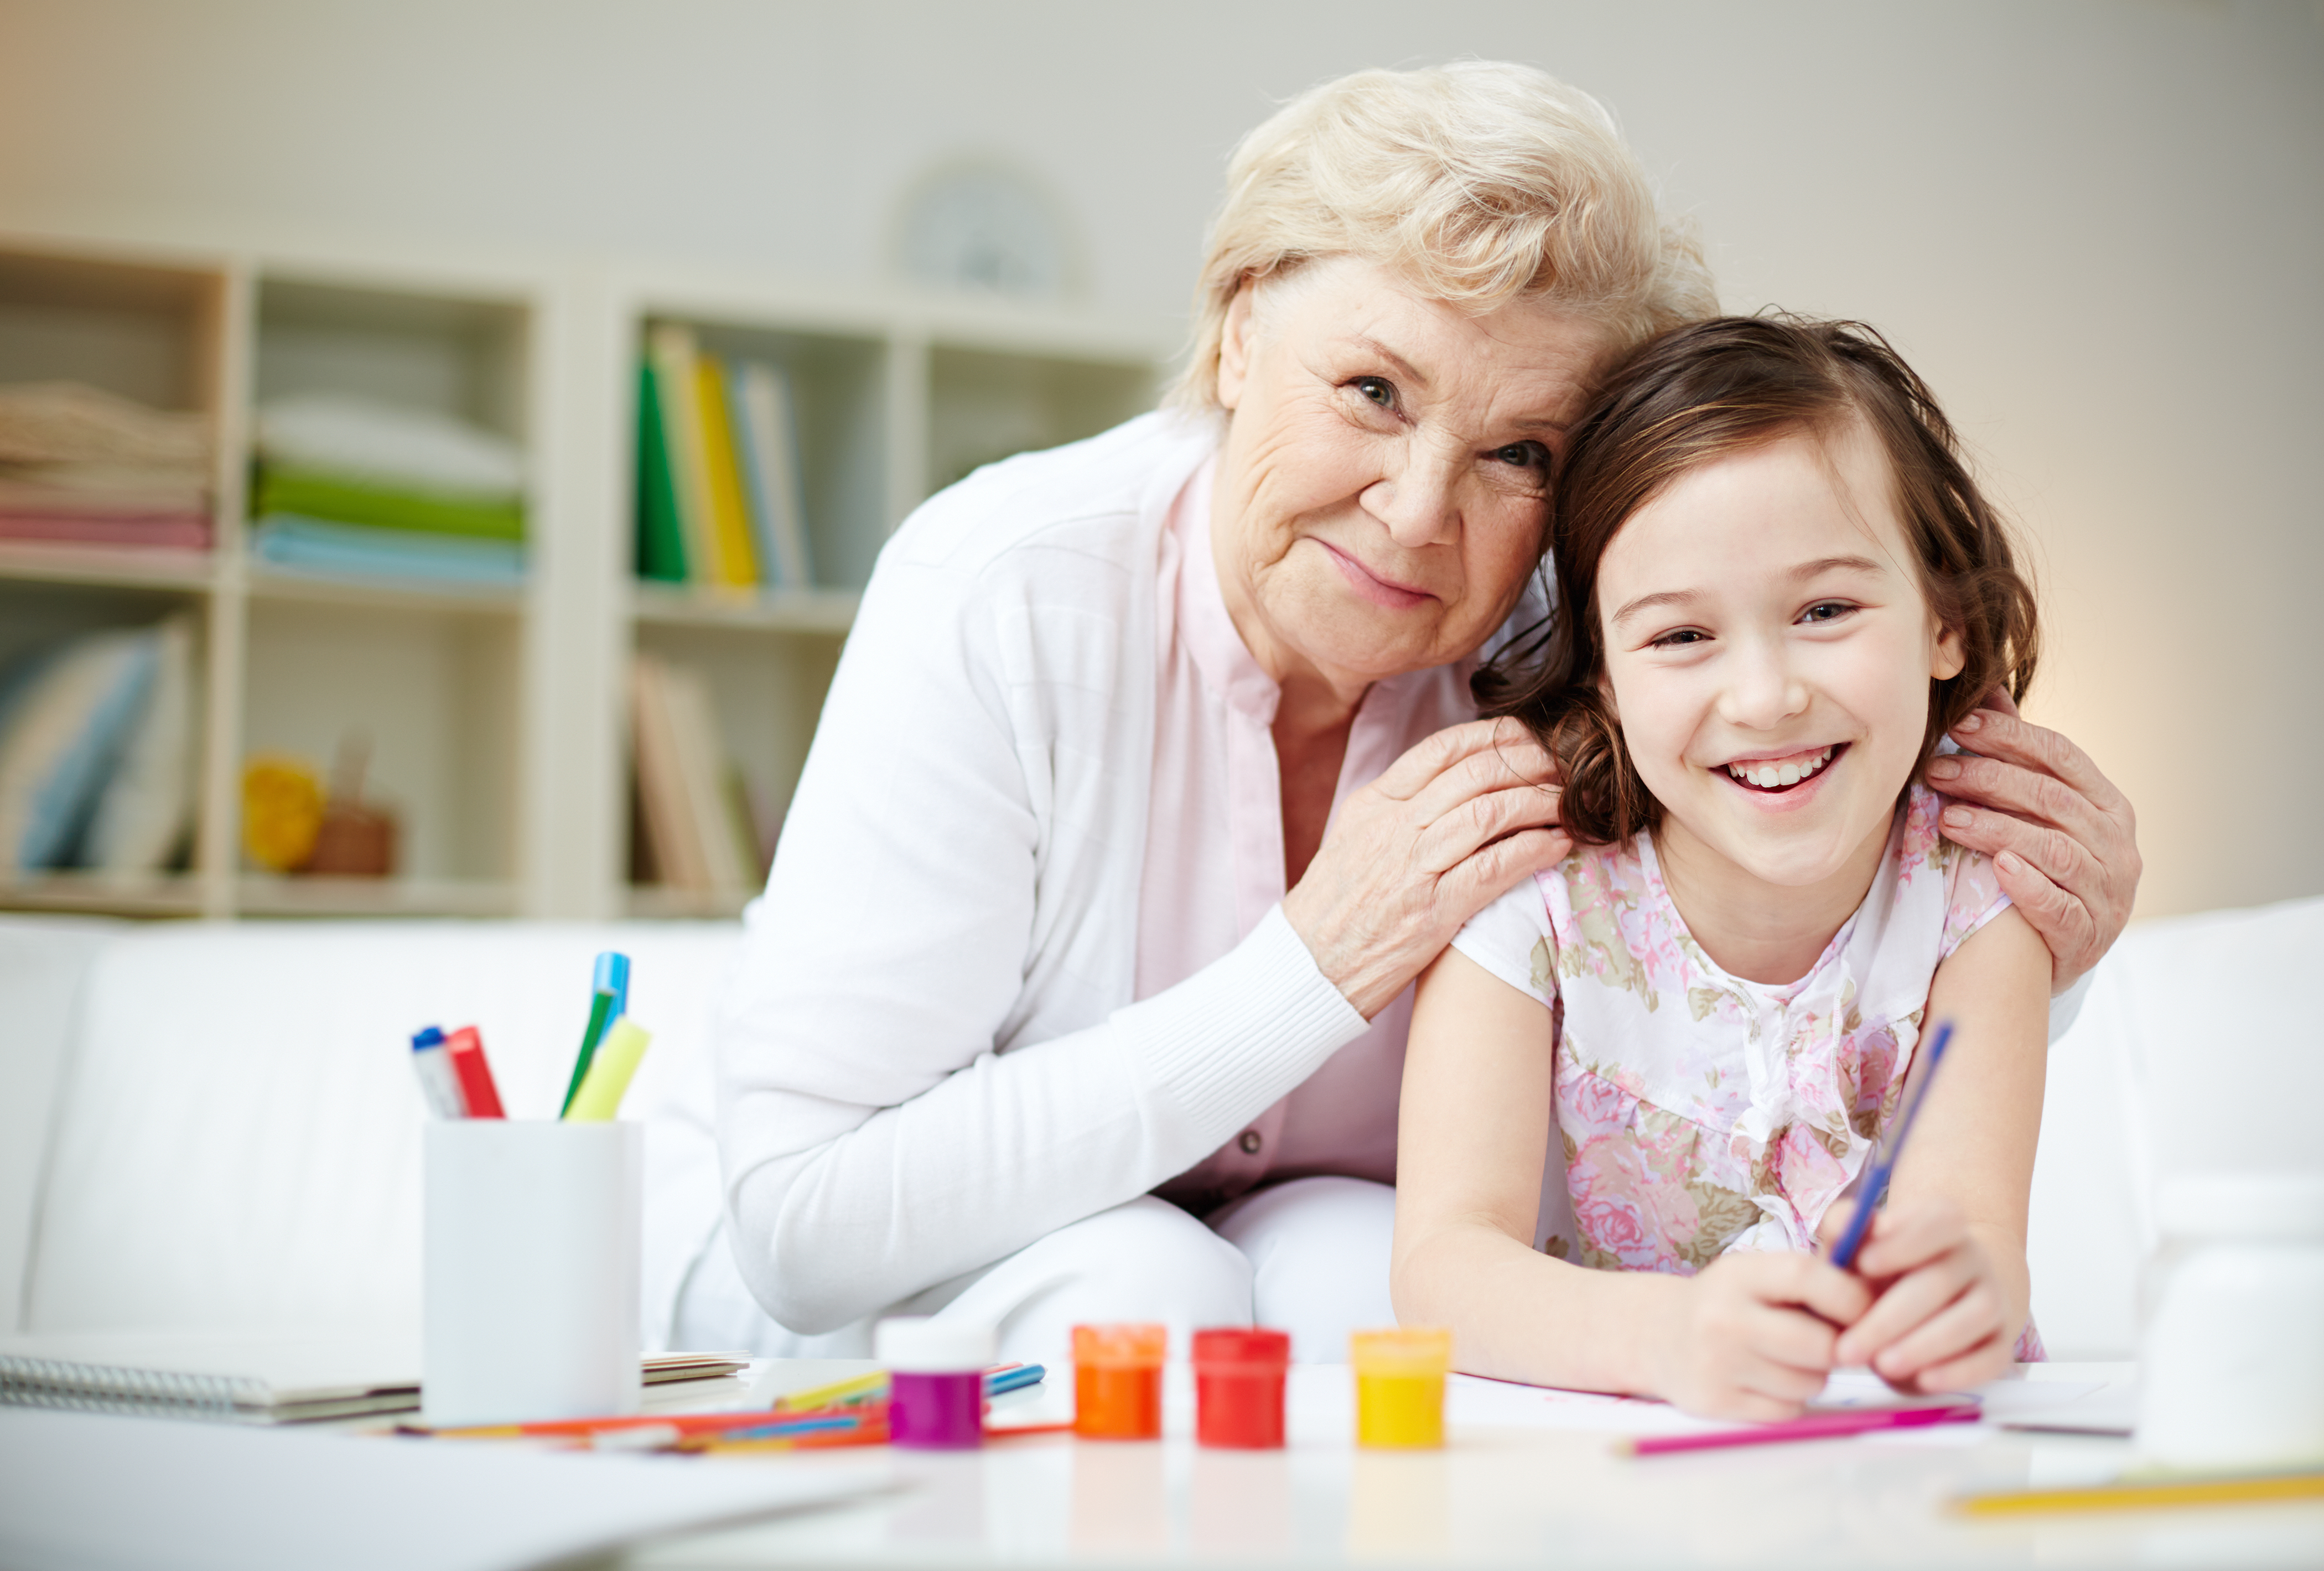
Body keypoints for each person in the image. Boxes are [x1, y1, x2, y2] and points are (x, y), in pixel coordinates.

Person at [682, 64, 2142, 1367]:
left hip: (1317, 1235)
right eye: (1373, 390)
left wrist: (2046, 918)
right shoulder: (1003, 591)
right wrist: (1311, 964)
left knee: (1351, 1296)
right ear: (1242, 329)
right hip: (909, 1268)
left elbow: (1795, 895)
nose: (1418, 512)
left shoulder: (1580, 629)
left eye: (1520, 451)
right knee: (1144, 1294)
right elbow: (803, 1227)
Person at [1394, 316, 2051, 1418]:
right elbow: (1443, 1270)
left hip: (1899, 1459)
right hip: (1626, 1465)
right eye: (1681, 637)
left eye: (1827, 610)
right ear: (1602, 675)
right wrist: (1665, 1339)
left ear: (1944, 619)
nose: (1765, 696)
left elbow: (1979, 1237)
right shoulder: (1530, 897)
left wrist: (1966, 1292)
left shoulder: (1980, 893)